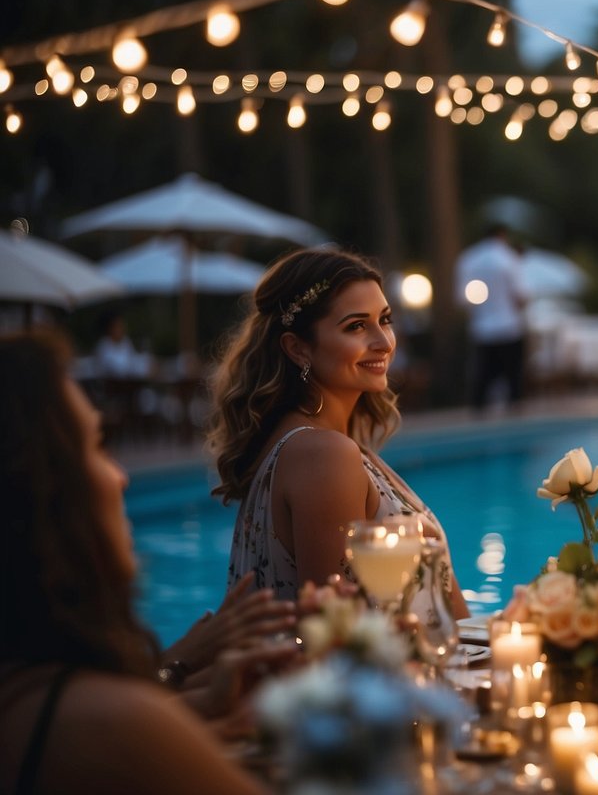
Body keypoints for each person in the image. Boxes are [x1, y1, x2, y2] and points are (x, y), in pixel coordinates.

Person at [0, 331, 287, 794]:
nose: (121, 476)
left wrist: (186, 714)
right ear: (33, 493)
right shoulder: (103, 723)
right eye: (95, 446)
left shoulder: (26, 692)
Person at [210, 247, 469, 623]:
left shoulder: (321, 443)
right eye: (356, 326)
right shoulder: (323, 454)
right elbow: (336, 635)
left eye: (385, 319)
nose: (384, 342)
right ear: (298, 348)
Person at [455, 223, 529, 410]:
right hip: (509, 326)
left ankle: (477, 417)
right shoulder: (508, 258)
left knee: (482, 377)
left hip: (482, 329)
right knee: (513, 378)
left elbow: (462, 299)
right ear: (503, 235)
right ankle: (514, 414)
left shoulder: (468, 259)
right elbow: (520, 296)